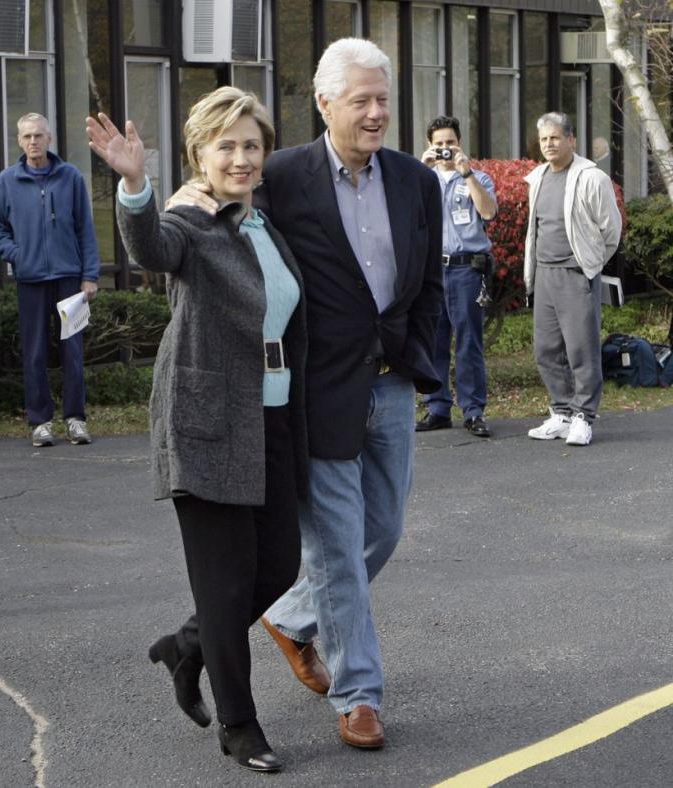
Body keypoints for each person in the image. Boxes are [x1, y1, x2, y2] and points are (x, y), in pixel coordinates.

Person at [167, 38, 442, 751]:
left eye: (384, 98)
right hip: (318, 391)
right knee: (339, 552)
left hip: (393, 385)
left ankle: (288, 617)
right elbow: (216, 207)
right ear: (324, 104)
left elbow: (431, 284)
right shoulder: (282, 176)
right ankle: (359, 695)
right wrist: (181, 197)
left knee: (383, 531)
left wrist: (425, 359)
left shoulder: (415, 181)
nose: (378, 112)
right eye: (362, 101)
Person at [86, 87, 308, 773]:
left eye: (251, 145)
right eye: (226, 146)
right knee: (224, 581)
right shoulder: (191, 221)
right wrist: (133, 184)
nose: (241, 158)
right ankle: (239, 726)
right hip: (206, 418)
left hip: (270, 417)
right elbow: (151, 246)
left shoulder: (262, 219)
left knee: (279, 565)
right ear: (199, 156)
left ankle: (186, 647)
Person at [0, 113, 98, 447]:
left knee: (73, 352)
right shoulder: (7, 181)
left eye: (38, 135)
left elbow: (85, 228)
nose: (33, 142)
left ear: (50, 138)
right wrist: (18, 255)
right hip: (31, 280)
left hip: (69, 280)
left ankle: (76, 419)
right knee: (34, 352)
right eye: (27, 137)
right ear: (19, 142)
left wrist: (90, 275)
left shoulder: (71, 178)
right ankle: (40, 422)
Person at [524, 112, 621, 446]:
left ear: (571, 140)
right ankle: (561, 413)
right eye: (544, 139)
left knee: (582, 349)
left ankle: (583, 416)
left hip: (577, 274)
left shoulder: (591, 177)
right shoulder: (536, 177)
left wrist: (590, 264)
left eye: (555, 138)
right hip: (545, 274)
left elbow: (612, 230)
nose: (549, 144)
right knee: (547, 350)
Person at [416, 115, 497, 438]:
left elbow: (489, 212)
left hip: (466, 269)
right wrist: (421, 171)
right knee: (433, 341)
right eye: (439, 144)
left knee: (468, 343)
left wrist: (467, 175)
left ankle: (473, 410)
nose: (445, 149)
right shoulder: (422, 179)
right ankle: (437, 408)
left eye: (450, 143)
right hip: (433, 269)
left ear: (459, 144)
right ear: (430, 147)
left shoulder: (478, 177)